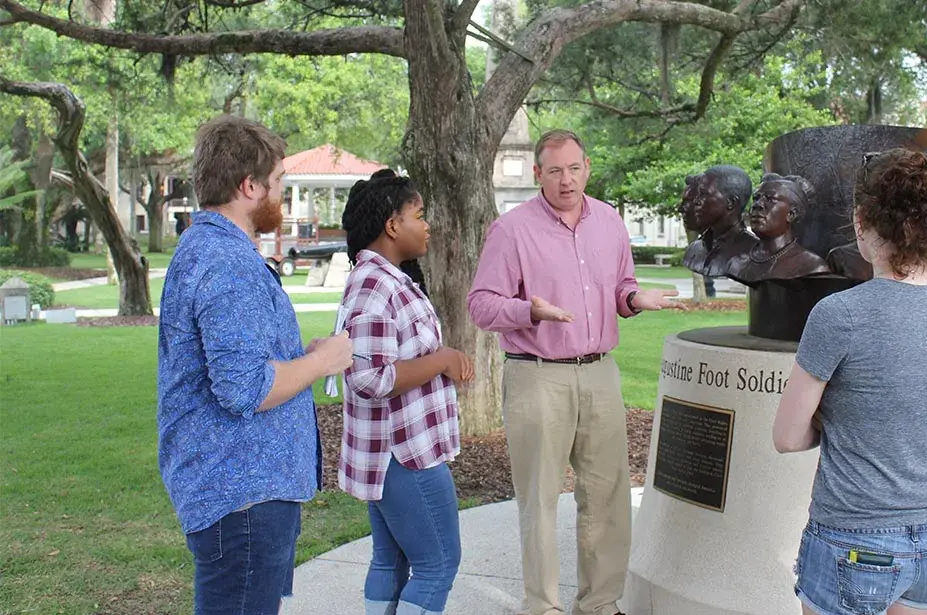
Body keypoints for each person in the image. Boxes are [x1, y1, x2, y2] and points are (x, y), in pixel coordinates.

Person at [467, 129, 680, 615]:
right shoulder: (512, 230)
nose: (567, 180)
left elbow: (622, 286)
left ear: (588, 166)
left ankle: (600, 604)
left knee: (607, 496)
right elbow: (481, 306)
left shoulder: (608, 221)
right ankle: (541, 606)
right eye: (555, 171)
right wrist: (529, 312)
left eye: (575, 168)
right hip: (537, 374)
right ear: (538, 174)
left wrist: (633, 299)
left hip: (600, 373)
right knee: (539, 500)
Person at [772, 148, 927, 615]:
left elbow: (786, 437)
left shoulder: (840, 314)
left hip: (852, 536)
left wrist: (837, 422)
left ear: (864, 219)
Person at [158, 115, 353, 614]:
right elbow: (245, 388)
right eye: (279, 183)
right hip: (241, 495)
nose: (282, 196)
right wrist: (324, 361)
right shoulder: (226, 263)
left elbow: (241, 366)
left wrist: (300, 359)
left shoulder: (211, 250)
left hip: (241, 492)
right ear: (250, 186)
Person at [339, 172, 473, 615]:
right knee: (438, 565)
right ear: (393, 224)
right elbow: (370, 378)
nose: (427, 224)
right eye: (419, 214)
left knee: (391, 560)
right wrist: (444, 359)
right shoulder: (375, 286)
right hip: (404, 454)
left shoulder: (386, 279)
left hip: (394, 451)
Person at [724, 173, 830, 285]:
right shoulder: (737, 262)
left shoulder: (812, 266)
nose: (757, 205)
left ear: (791, 214)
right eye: (756, 198)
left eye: (770, 199)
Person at [680, 165, 758, 278]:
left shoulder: (754, 254)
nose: (696, 201)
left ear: (731, 202)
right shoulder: (694, 249)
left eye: (704, 194)